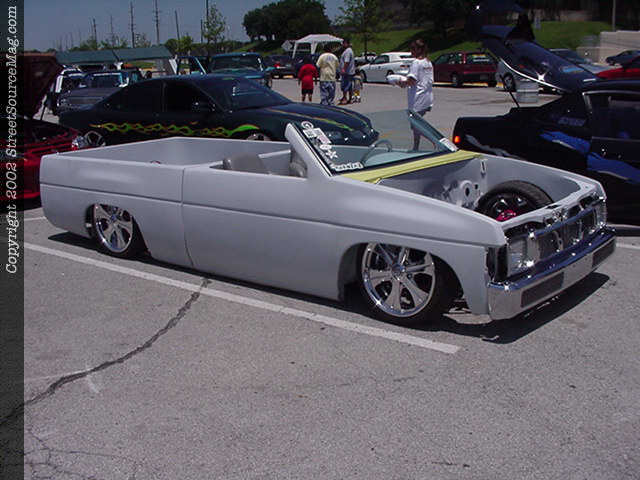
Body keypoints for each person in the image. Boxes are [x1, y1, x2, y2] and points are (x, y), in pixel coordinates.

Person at [400, 39, 434, 150]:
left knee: (416, 126)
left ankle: (436, 141)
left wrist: (400, 82)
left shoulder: (416, 63)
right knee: (417, 125)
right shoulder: (428, 63)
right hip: (427, 98)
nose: (411, 51)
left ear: (419, 50)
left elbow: (411, 81)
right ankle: (416, 147)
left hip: (417, 99)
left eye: (413, 49)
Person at [338, 38, 355, 105]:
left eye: (344, 43)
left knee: (345, 85)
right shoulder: (349, 50)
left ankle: (345, 98)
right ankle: (350, 99)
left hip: (347, 72)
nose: (342, 44)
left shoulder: (347, 51)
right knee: (349, 86)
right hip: (350, 72)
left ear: (347, 44)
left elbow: (346, 61)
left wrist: (343, 69)